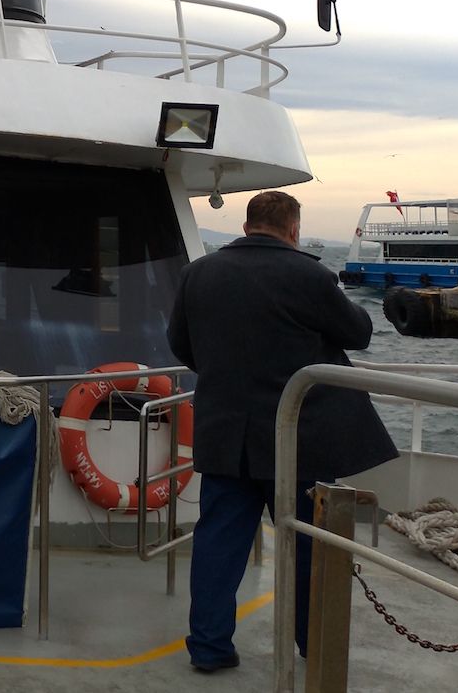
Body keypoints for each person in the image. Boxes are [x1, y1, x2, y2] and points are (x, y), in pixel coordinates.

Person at [168, 190, 396, 673]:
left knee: (217, 546)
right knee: (310, 546)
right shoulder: (309, 274)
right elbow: (358, 332)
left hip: (226, 438)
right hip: (298, 442)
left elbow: (181, 344)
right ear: (293, 229)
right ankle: (313, 645)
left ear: (248, 224)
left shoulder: (198, 274)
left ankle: (208, 648)